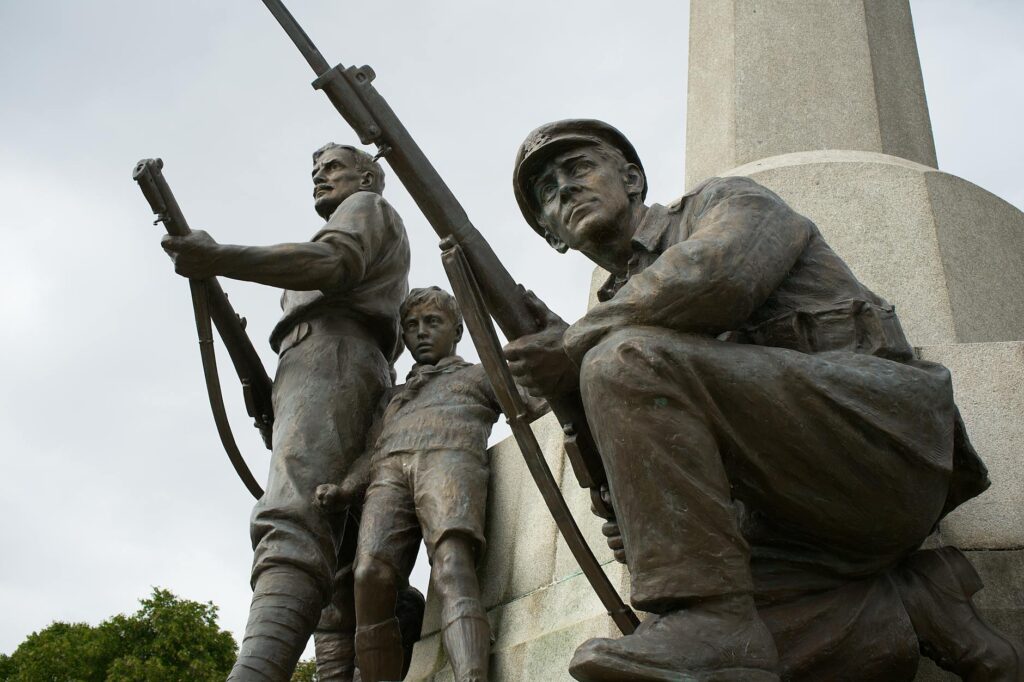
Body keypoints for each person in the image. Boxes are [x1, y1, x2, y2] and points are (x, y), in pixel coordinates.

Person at [503, 119, 1020, 681]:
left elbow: (721, 278)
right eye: (548, 194)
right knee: (707, 663)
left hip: (885, 446)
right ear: (555, 236)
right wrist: (650, 516)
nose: (566, 191)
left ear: (631, 178)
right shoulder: (616, 322)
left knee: (622, 358)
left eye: (578, 169)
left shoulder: (725, 202)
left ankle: (710, 615)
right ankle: (912, 607)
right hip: (799, 525)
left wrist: (576, 345)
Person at [161, 143, 410, 681]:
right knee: (336, 549)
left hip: (334, 356)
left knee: (294, 518)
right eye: (315, 172)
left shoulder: (365, 208)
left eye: (334, 168)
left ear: (369, 176)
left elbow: (333, 263)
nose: (321, 178)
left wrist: (220, 256)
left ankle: (256, 672)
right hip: (324, 363)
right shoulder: (355, 218)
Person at [319, 286, 534, 682]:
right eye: (412, 326)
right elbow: (373, 450)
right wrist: (347, 487)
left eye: (433, 323)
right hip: (388, 475)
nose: (420, 332)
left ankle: (471, 675)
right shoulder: (393, 398)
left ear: (458, 330)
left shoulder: (479, 372)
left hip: (449, 460)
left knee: (452, 566)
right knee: (368, 576)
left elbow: (531, 401)